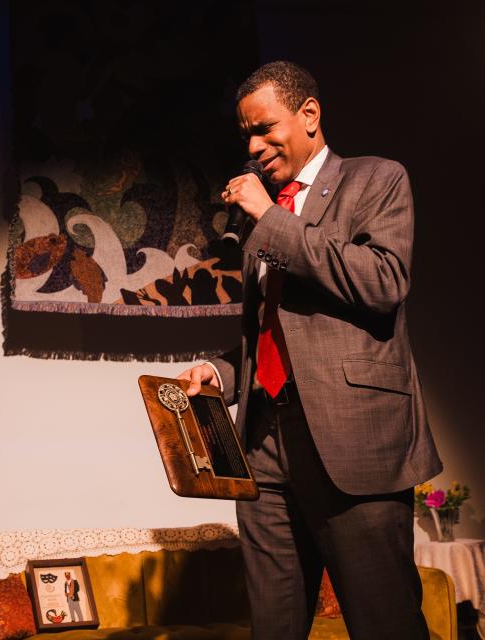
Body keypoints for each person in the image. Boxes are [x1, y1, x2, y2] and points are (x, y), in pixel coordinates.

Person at [177, 61, 441, 639]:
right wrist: (222, 373)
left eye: (265, 127)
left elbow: (383, 282)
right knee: (274, 627)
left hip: (354, 443)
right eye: (245, 133)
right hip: (264, 445)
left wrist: (270, 219)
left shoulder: (375, 180)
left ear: (310, 115)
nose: (253, 146)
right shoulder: (262, 217)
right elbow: (268, 330)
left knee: (385, 622)